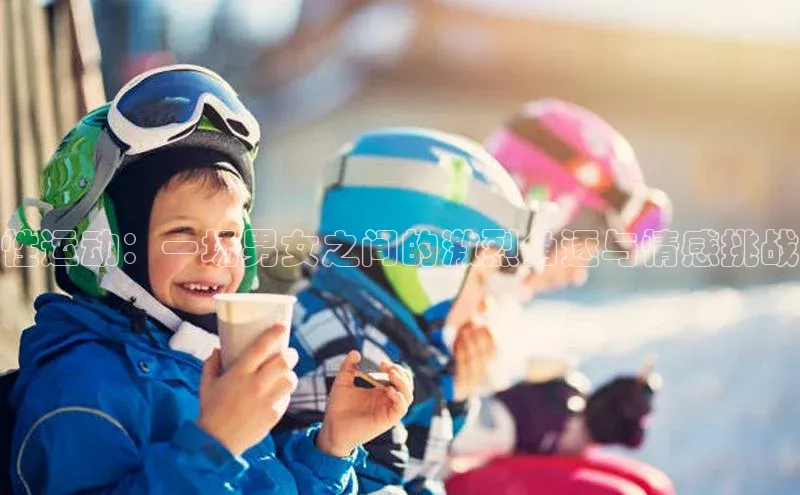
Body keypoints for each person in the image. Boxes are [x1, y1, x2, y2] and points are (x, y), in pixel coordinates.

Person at [4, 64, 412, 495]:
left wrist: (332, 448)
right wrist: (214, 444)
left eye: (229, 234)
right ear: (106, 243)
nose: (213, 254)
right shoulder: (83, 389)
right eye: (182, 232)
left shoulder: (202, 362)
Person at [275, 127, 551, 494]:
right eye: (481, 279)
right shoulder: (345, 357)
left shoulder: (365, 331)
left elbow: (406, 469)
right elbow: (383, 483)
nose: (485, 302)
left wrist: (452, 396)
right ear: (426, 258)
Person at [446, 98, 675, 495]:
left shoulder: (495, 302)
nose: (579, 274)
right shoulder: (448, 288)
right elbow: (413, 433)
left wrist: (588, 422)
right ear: (549, 213)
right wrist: (516, 418)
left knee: (649, 485)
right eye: (586, 248)